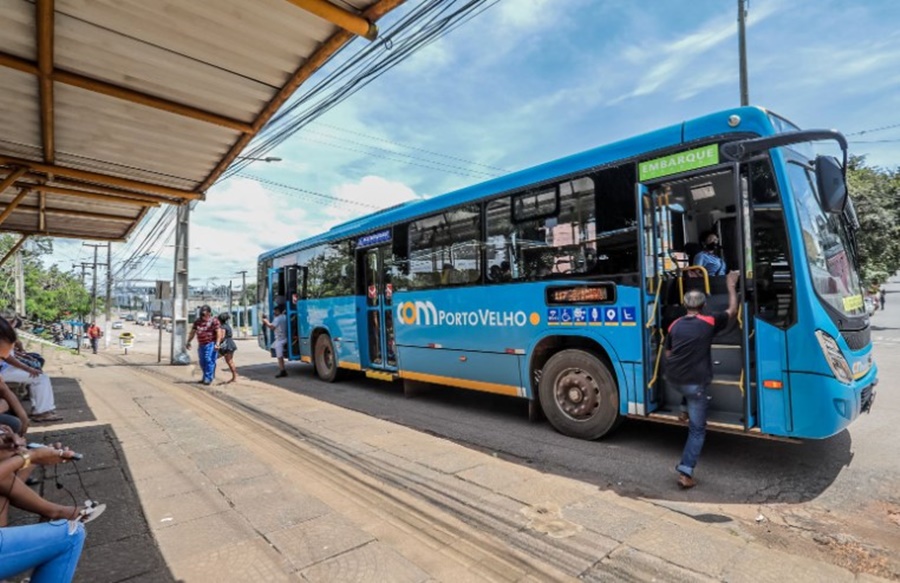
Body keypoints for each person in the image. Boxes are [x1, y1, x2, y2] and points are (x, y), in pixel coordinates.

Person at [665, 270, 739, 489]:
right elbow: (733, 311)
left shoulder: (675, 324)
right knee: (697, 430)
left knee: (687, 385)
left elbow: (668, 354)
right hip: (694, 384)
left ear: (685, 305)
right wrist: (730, 286)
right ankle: (686, 472)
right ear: (704, 305)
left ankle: (682, 410)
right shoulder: (709, 322)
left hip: (674, 378)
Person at [0, 354, 60, 423]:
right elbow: (7, 356)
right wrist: (28, 368)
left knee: (38, 368)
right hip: (3, 371)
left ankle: (40, 408)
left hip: (5, 367)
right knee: (40, 378)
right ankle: (42, 412)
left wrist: (20, 355)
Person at [185, 305, 223, 386]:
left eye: (205, 314)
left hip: (211, 344)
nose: (203, 316)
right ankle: (207, 376)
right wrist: (188, 341)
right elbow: (193, 332)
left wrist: (217, 343)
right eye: (202, 314)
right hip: (201, 345)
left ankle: (208, 378)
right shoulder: (197, 322)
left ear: (209, 313)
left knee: (208, 359)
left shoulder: (214, 321)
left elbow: (219, 332)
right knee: (202, 362)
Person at [261, 305, 288, 378]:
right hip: (285, 337)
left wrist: (266, 321)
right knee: (274, 348)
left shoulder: (277, 319)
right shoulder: (284, 317)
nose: (274, 312)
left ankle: (282, 370)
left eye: (275, 311)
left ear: (278, 311)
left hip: (280, 339)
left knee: (279, 356)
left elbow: (272, 327)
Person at [216, 313, 238, 384]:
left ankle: (234, 377)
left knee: (229, 361)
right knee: (229, 361)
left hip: (226, 345)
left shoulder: (222, 327)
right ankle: (234, 377)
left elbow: (222, 337)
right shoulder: (227, 326)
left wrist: (217, 343)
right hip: (230, 344)